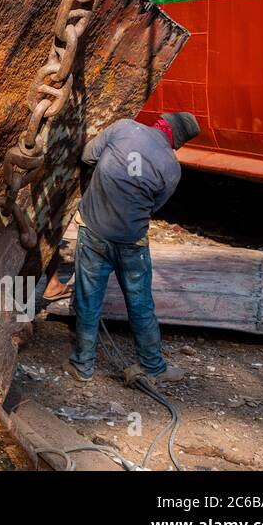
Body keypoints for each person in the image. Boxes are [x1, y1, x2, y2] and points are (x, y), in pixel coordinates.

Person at [67, 111, 201, 386]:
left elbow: (87, 156)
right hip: (131, 242)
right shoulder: (172, 168)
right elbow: (154, 206)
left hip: (94, 230)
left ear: (162, 121)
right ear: (177, 142)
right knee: (140, 304)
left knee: (88, 299)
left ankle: (83, 366)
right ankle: (153, 365)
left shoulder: (123, 128)